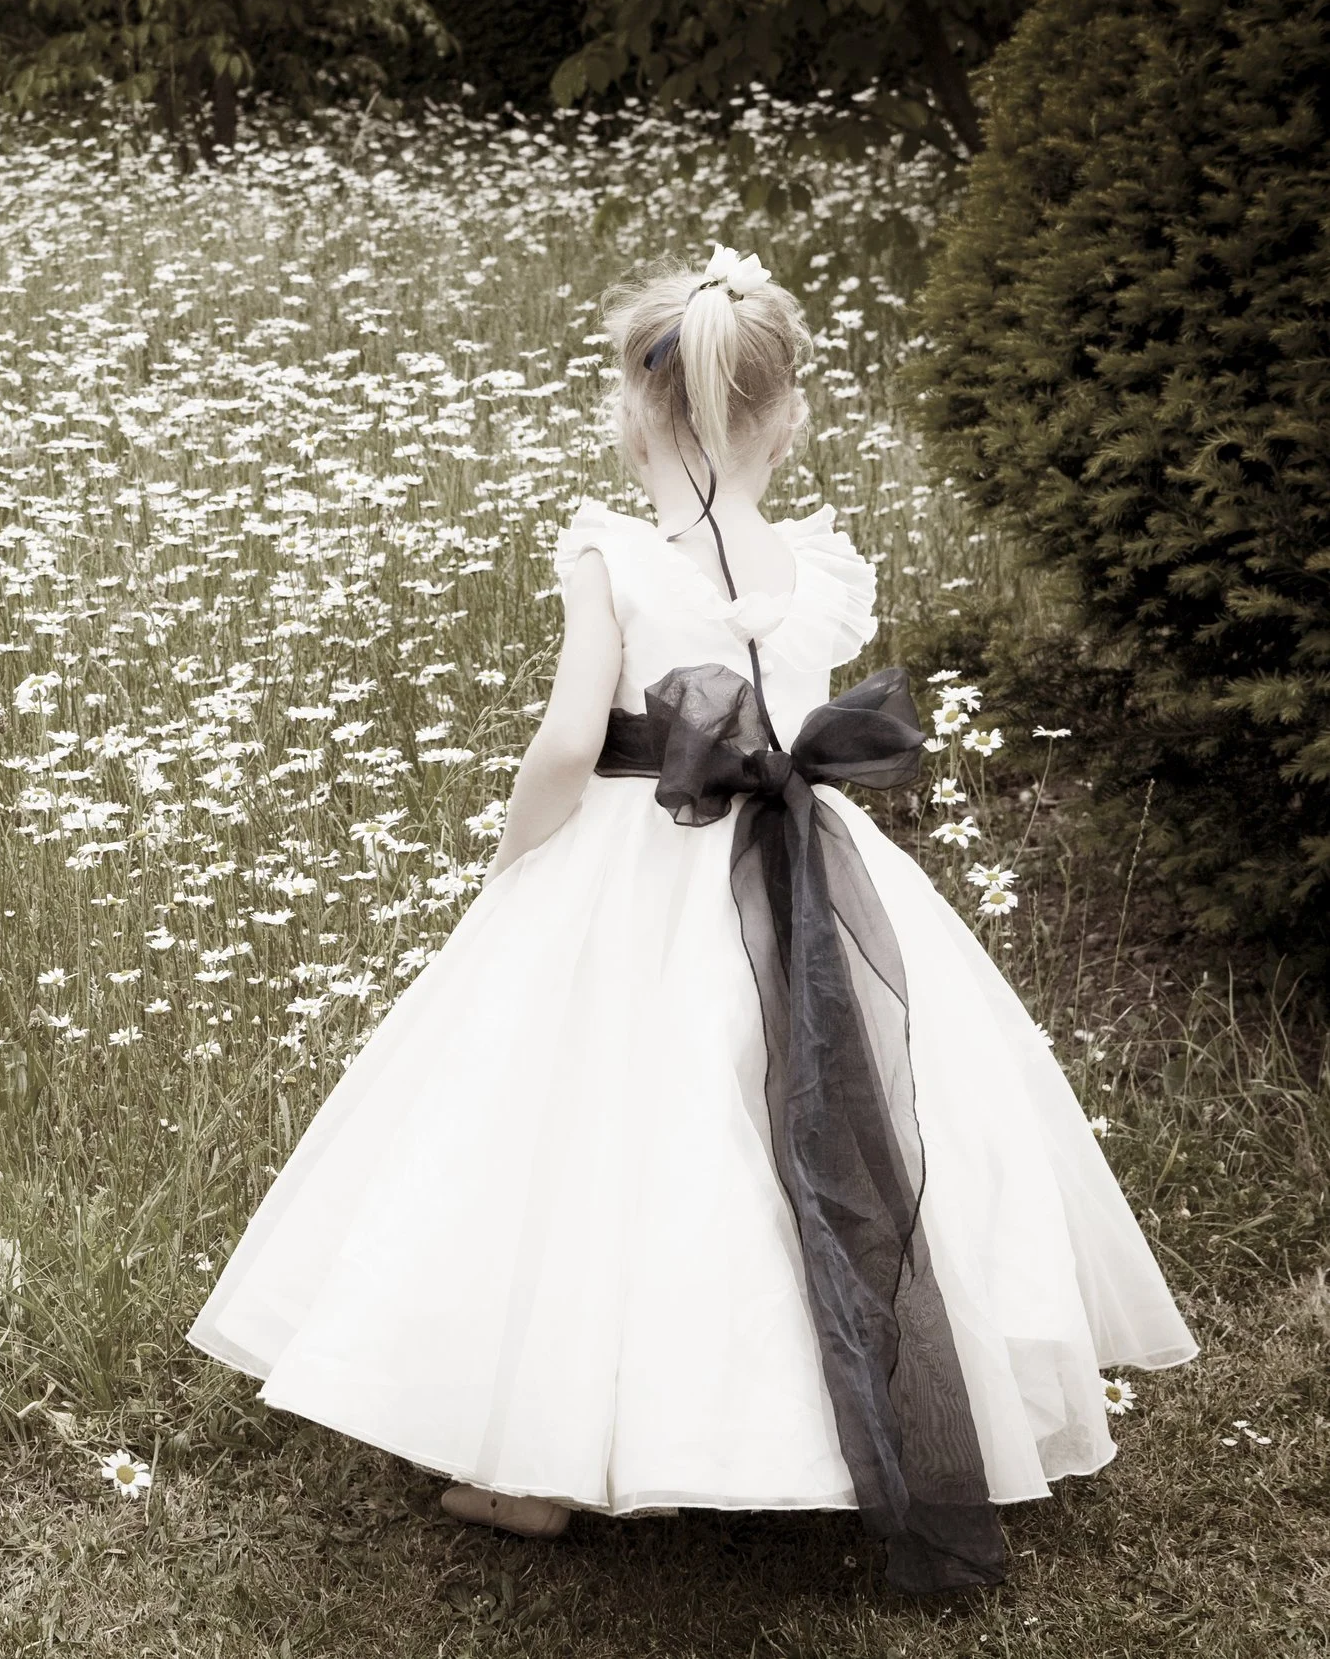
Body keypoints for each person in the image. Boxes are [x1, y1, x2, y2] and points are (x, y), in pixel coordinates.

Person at [184, 247, 1197, 1594]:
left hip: (640, 863)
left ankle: (533, 1460)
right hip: (809, 877)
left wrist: (511, 855)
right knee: (838, 1121)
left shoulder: (614, 557)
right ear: (787, 418)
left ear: (628, 412)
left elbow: (563, 743)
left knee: (593, 1140)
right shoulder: (819, 568)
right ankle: (856, 1413)